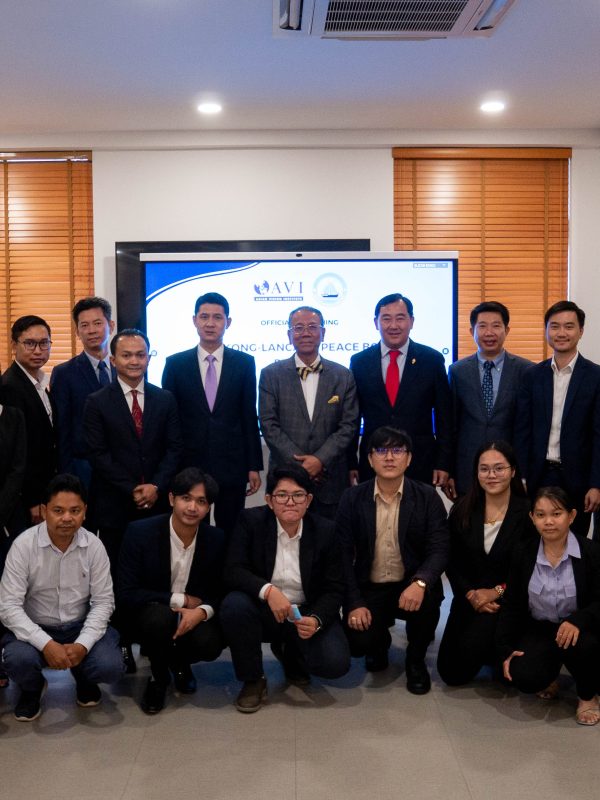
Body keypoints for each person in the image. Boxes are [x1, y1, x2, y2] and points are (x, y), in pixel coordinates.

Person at [84, 328, 183, 672]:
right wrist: (132, 488)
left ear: (149, 357)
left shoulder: (165, 399)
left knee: (159, 577)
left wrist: (156, 486)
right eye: (126, 355)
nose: (134, 361)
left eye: (141, 354)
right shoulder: (97, 401)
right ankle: (123, 642)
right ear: (113, 360)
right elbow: (97, 454)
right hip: (115, 507)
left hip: (158, 506)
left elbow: (175, 448)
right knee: (117, 580)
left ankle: (161, 649)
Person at [220, 463, 350, 713]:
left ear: (308, 500)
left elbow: (335, 587)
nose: (290, 502)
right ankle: (253, 679)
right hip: (264, 610)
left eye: (298, 495)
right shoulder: (251, 521)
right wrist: (269, 591)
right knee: (234, 605)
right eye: (282, 495)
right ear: (269, 500)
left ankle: (290, 652)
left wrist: (317, 619)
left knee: (335, 663)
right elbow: (233, 570)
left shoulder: (326, 530)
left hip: (305, 612)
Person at [0, 474, 124, 721]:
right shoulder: (23, 545)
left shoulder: (94, 546)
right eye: (58, 510)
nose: (67, 518)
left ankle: (84, 677)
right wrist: (46, 643)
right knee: (17, 660)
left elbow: (103, 602)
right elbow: (8, 607)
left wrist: (82, 645)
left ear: (85, 512)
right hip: (35, 626)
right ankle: (32, 688)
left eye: (75, 511)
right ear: (44, 511)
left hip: (78, 626)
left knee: (110, 666)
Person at [336, 426, 449, 694]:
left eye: (397, 450)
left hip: (410, 583)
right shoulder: (352, 498)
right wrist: (354, 602)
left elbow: (440, 548)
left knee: (428, 599)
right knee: (357, 642)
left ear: (409, 459)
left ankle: (415, 660)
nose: (389, 457)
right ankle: (379, 644)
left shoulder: (427, 497)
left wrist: (420, 582)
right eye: (381, 450)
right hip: (370, 587)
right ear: (369, 459)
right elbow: (340, 554)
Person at [118, 467, 226, 715]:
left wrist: (201, 611)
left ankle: (180, 663)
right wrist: (181, 600)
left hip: (191, 615)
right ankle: (158, 676)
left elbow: (221, 589)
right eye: (186, 498)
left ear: (208, 508)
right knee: (159, 618)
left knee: (210, 644)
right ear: (171, 499)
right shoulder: (139, 532)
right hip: (149, 613)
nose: (192, 507)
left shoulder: (216, 539)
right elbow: (126, 592)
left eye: (201, 501)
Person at [497, 486, 600, 726]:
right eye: (541, 515)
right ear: (532, 518)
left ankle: (587, 697)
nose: (549, 522)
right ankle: (550, 675)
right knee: (525, 676)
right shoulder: (523, 552)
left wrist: (578, 620)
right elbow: (512, 603)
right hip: (540, 628)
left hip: (581, 630)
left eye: (556, 513)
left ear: (571, 516)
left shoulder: (592, 552)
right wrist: (504, 648)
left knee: (586, 646)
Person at [162, 292, 263, 536]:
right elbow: (169, 420)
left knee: (232, 529)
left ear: (228, 322)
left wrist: (254, 465)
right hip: (189, 463)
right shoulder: (175, 364)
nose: (210, 323)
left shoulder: (244, 363)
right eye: (204, 316)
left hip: (232, 464)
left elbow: (249, 415)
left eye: (217, 317)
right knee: (192, 528)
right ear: (194, 320)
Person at [437, 441, 534, 686]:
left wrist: (497, 591)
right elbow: (451, 560)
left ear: (513, 471)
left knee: (509, 676)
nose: (491, 475)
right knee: (451, 674)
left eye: (499, 468)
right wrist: (470, 594)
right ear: (476, 472)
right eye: (484, 469)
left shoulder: (529, 513)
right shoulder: (462, 508)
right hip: (470, 598)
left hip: (510, 602)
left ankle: (499, 650)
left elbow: (530, 569)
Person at [259, 305, 359, 518]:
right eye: (298, 328)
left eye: (312, 327)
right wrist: (301, 466)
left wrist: (320, 460)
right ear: (289, 335)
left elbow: (349, 425)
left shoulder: (343, 376)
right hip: (285, 479)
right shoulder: (270, 375)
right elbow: (268, 424)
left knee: (330, 537)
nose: (305, 333)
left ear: (323, 333)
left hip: (330, 480)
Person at [515, 300, 600, 538]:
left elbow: (598, 435)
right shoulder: (532, 376)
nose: (561, 333)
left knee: (575, 542)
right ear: (546, 331)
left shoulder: (595, 377)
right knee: (533, 541)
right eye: (554, 326)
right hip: (538, 476)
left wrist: (596, 484)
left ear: (581, 331)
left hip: (579, 479)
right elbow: (522, 431)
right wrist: (521, 476)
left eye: (569, 326)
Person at [350, 293, 452, 489]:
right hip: (373, 461)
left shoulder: (431, 360)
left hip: (420, 461)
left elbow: (444, 417)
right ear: (376, 323)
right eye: (386, 319)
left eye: (400, 318)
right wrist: (351, 463)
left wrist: (443, 462)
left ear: (411, 321)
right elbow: (352, 418)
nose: (393, 325)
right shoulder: (359, 362)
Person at [447, 301, 531, 497]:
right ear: (472, 331)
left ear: (506, 330)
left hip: (509, 469)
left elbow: (528, 429)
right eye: (482, 326)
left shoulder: (526, 370)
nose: (489, 332)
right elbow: (451, 425)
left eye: (496, 326)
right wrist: (449, 470)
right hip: (468, 469)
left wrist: (525, 474)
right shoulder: (458, 371)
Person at [50, 296, 116, 487]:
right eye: (84, 325)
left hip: (121, 465)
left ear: (111, 326)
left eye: (98, 323)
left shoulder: (125, 369)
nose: (91, 330)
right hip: (83, 468)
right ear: (77, 331)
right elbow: (62, 429)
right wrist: (66, 477)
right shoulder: (64, 373)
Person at [0, 315, 57, 525]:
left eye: (44, 343)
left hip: (46, 488)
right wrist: (33, 499)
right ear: (14, 345)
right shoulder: (9, 386)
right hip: (26, 499)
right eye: (30, 343)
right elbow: (18, 452)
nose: (38, 350)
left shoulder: (40, 381)